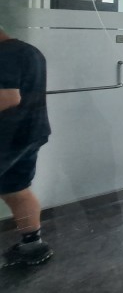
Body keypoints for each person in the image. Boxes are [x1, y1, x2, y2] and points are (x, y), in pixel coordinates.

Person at [0, 26, 53, 266]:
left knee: (16, 190)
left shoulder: (5, 53)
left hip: (8, 137)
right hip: (31, 131)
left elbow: (7, 99)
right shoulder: (31, 51)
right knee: (17, 190)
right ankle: (33, 246)